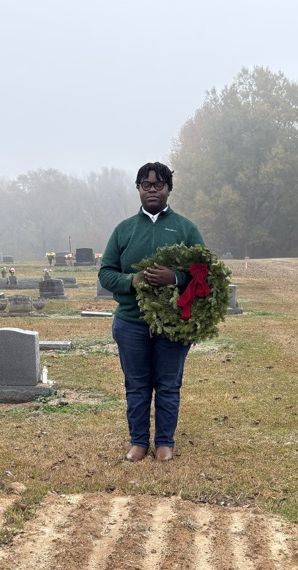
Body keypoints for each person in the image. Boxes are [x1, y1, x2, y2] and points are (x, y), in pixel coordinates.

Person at [99, 161, 205, 462]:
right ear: (138, 189)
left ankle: (165, 443)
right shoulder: (124, 230)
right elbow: (105, 272)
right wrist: (131, 281)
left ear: (169, 189)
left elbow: (205, 273)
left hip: (174, 324)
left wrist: (177, 278)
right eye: (146, 185)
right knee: (137, 383)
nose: (152, 190)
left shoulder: (186, 228)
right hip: (131, 322)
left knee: (169, 384)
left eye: (159, 184)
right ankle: (139, 442)